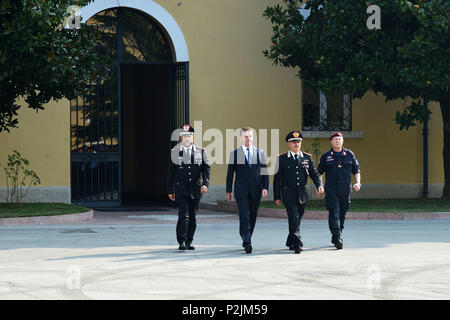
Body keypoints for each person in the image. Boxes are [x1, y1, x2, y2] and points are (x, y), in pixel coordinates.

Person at [273, 130, 324, 254]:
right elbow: (277, 180)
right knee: (294, 216)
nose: (296, 144)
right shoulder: (282, 159)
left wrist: (320, 185)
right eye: (293, 142)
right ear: (289, 144)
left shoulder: (306, 158)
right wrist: (277, 197)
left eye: (298, 142)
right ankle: (297, 243)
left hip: (302, 194)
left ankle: (290, 240)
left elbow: (314, 174)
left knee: (298, 217)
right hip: (288, 194)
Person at [167, 124, 210, 251]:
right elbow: (170, 173)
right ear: (181, 137)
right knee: (183, 215)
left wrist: (205, 184)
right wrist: (170, 190)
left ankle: (189, 241)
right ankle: (182, 241)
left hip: (195, 189)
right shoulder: (175, 152)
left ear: (193, 137)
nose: (187, 138)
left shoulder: (200, 151)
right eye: (184, 136)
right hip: (181, 189)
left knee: (192, 217)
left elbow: (206, 168)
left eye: (189, 136)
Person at [226, 127, 269, 254]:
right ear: (240, 138)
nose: (248, 139)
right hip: (241, 191)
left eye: (250, 136)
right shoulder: (235, 154)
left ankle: (247, 237)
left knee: (253, 216)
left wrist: (265, 187)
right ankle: (248, 241)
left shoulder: (260, 153)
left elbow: (264, 171)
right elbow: (230, 174)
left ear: (253, 137)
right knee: (244, 215)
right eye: (245, 136)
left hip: (256, 190)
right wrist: (229, 190)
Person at [317, 131, 361, 250]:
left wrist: (358, 182)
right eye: (335, 139)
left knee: (342, 213)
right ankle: (337, 237)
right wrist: (319, 186)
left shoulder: (349, 154)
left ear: (343, 141)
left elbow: (356, 170)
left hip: (345, 190)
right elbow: (319, 173)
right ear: (331, 141)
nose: (337, 141)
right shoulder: (326, 156)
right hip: (331, 190)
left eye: (339, 139)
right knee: (334, 213)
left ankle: (337, 233)